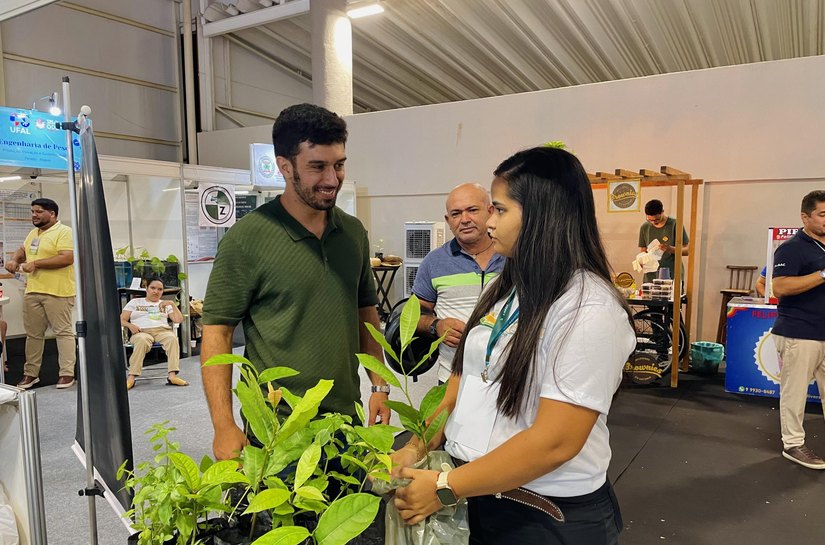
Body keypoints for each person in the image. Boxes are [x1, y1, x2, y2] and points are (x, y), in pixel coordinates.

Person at [392, 146, 636, 544]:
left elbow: (555, 441)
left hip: (543, 515)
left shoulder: (587, 308)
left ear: (541, 215)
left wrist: (444, 485)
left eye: (500, 210)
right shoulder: (509, 289)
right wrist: (419, 444)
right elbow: (463, 380)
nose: (488, 221)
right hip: (481, 494)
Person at [201, 103, 390, 461]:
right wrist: (223, 424)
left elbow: (365, 313)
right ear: (284, 166)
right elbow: (217, 332)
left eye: (339, 164)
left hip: (344, 421)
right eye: (317, 166)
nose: (332, 179)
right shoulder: (247, 239)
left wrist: (378, 384)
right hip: (276, 431)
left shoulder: (352, 233)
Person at [412, 183, 505, 384]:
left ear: (490, 211)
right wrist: (436, 326)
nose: (464, 219)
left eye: (472, 210)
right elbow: (413, 315)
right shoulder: (433, 262)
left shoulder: (513, 256)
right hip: (452, 378)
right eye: (456, 214)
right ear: (448, 220)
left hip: (507, 380)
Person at [771, 190, 825, 470]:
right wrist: (822, 274)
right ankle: (792, 444)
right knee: (794, 392)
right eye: (823, 214)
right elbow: (779, 287)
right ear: (805, 217)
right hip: (799, 332)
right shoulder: (792, 248)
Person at [4, 198, 76, 390]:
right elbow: (23, 250)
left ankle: (67, 373)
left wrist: (36, 264)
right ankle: (31, 374)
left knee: (63, 333)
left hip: (58, 292)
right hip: (33, 290)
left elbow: (67, 258)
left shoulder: (64, 232)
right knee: (33, 335)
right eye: (32, 211)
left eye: (38, 211)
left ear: (52, 214)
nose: (34, 215)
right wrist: (14, 259)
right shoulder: (33, 233)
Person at [120, 277, 186, 390]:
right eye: (153, 288)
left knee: (172, 338)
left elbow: (178, 320)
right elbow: (121, 319)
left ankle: (172, 376)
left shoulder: (165, 304)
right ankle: (131, 377)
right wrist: (130, 325)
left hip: (162, 330)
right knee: (142, 340)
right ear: (146, 288)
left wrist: (172, 304)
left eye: (160, 289)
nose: (156, 291)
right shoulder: (135, 302)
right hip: (141, 332)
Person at [638, 199, 689, 283]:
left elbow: (687, 251)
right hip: (651, 276)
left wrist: (670, 249)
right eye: (650, 220)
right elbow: (643, 251)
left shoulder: (675, 224)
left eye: (656, 220)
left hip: (671, 275)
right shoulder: (645, 227)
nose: (653, 222)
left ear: (662, 212)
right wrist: (641, 261)